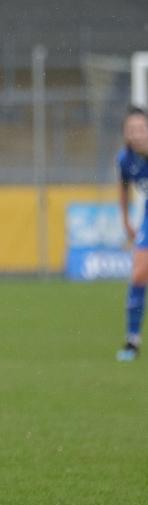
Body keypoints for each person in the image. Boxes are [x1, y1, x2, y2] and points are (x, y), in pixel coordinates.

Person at [115, 105, 148, 362]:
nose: (136, 134)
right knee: (138, 273)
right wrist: (126, 220)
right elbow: (124, 188)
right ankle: (132, 340)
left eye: (141, 129)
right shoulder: (126, 159)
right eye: (131, 130)